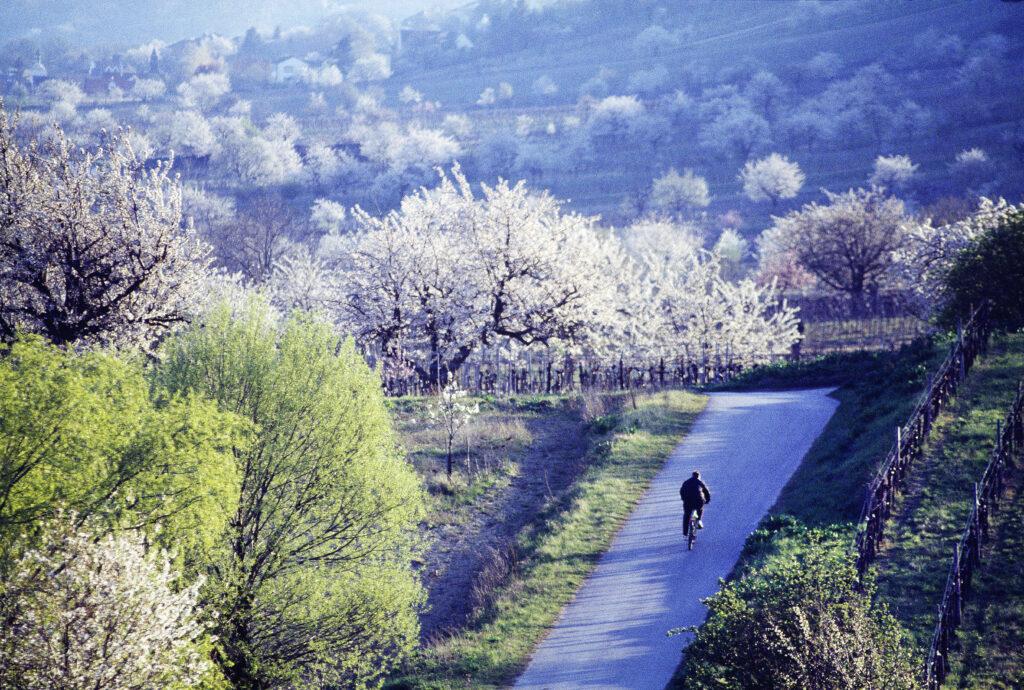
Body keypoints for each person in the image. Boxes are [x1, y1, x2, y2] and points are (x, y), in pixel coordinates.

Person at [680, 470, 711, 537]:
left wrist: (683, 499)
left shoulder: (686, 482)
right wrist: (707, 500)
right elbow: (706, 492)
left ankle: (685, 533)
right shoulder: (700, 482)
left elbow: (681, 491)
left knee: (686, 515)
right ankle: (698, 520)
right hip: (698, 501)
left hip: (687, 501)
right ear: (699, 476)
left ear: (692, 476)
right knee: (700, 509)